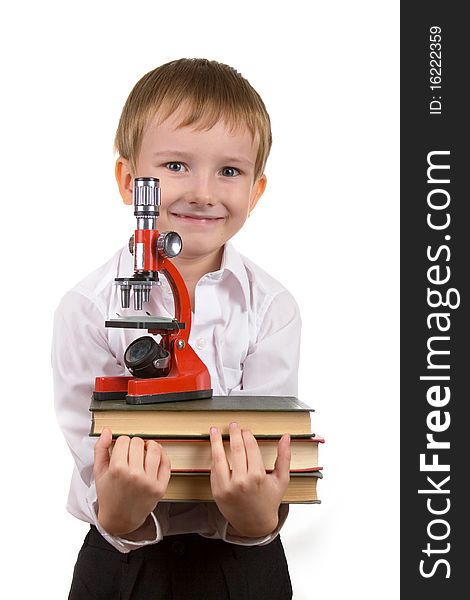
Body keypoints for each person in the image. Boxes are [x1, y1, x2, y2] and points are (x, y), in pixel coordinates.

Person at [52, 58, 301, 600]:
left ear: (256, 192)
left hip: (242, 557)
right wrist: (119, 514)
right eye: (175, 165)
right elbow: (87, 447)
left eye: (229, 171)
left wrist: (257, 519)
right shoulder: (85, 307)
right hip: (120, 560)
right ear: (127, 180)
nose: (202, 192)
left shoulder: (272, 307)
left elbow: (271, 440)